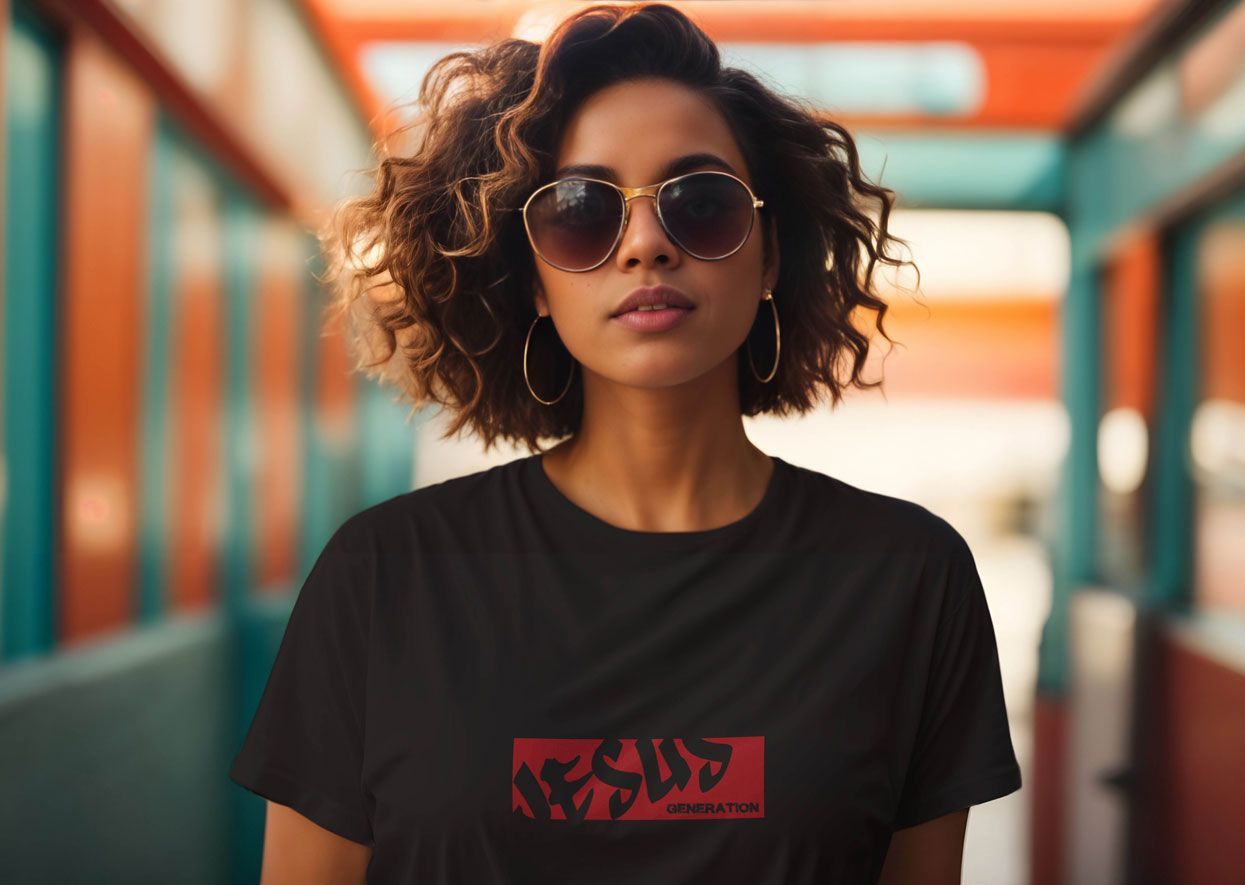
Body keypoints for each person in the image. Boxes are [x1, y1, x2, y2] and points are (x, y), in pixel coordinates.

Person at [228, 4, 1022, 883]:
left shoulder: (906, 578)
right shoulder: (384, 577)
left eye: (704, 204)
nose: (645, 242)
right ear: (531, 276)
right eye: (580, 211)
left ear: (769, 261)